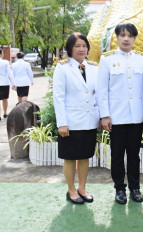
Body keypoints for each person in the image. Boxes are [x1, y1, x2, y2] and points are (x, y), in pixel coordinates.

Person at [97, 23, 143, 204]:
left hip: (136, 117)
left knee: (134, 155)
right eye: (122, 35)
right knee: (117, 155)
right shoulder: (107, 59)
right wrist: (105, 115)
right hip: (116, 118)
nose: (126, 39)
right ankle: (119, 188)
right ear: (116, 38)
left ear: (134, 38)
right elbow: (102, 90)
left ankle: (135, 187)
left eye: (130, 36)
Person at [53, 33, 99, 205]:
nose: (81, 49)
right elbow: (58, 97)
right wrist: (62, 123)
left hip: (89, 121)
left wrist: (101, 116)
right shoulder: (62, 68)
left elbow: (98, 95)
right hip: (71, 122)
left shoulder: (94, 67)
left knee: (85, 156)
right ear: (70, 49)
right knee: (70, 157)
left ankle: (82, 188)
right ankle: (71, 190)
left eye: (84, 46)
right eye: (77, 46)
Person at [0, 49, 15, 120]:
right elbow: (9, 73)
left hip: (3, 82)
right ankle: (5, 113)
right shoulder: (5, 62)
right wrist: (13, 83)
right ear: (1, 54)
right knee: (5, 99)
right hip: (4, 83)